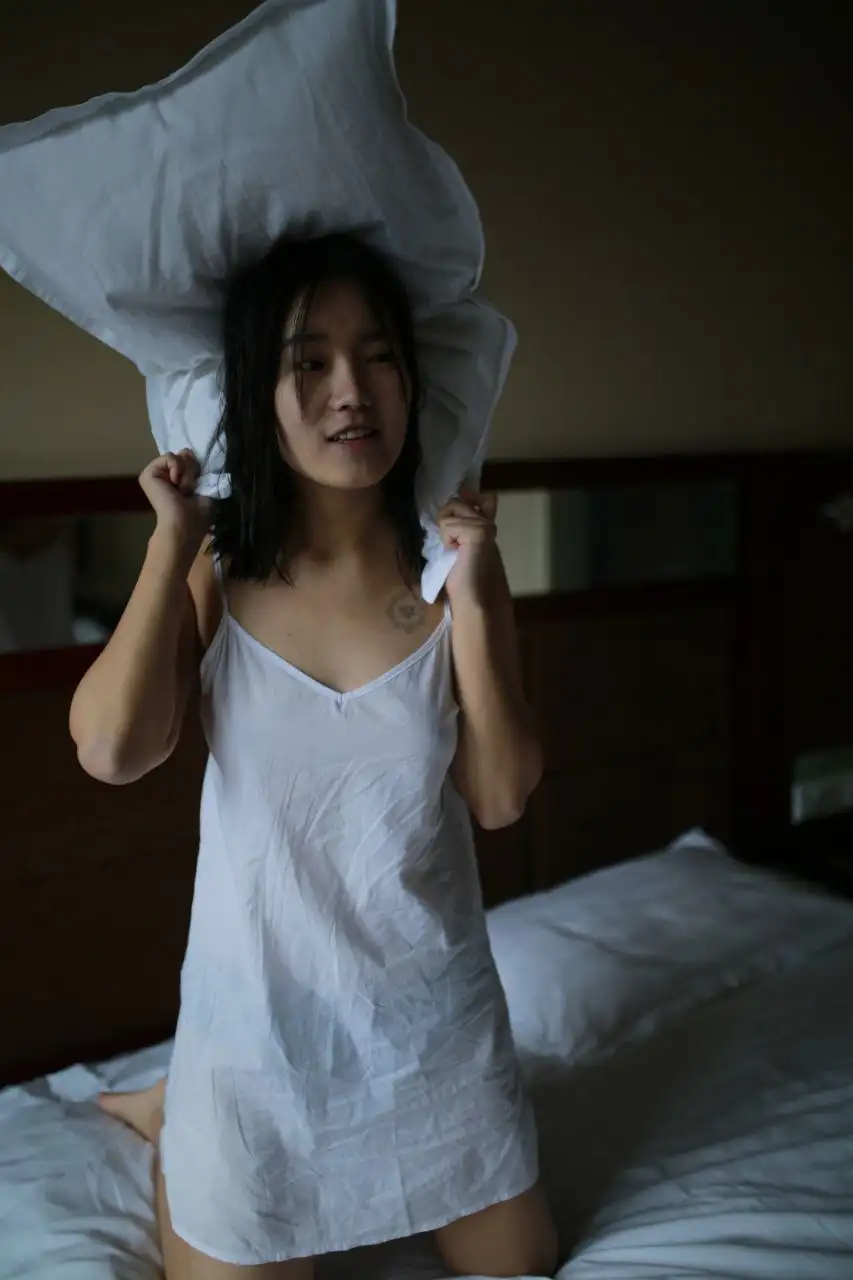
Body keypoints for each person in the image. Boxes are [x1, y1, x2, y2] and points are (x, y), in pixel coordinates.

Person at [70, 232, 558, 1280]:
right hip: (259, 1038)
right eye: (309, 361)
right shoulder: (218, 568)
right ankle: (183, 1113)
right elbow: (110, 750)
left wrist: (474, 591)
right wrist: (172, 539)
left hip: (432, 1025)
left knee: (520, 1264)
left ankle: (178, 1102)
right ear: (260, 389)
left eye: (378, 356)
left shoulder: (451, 569)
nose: (351, 392)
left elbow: (499, 796)